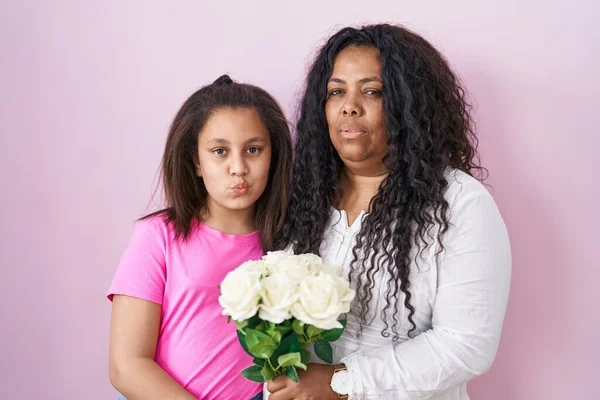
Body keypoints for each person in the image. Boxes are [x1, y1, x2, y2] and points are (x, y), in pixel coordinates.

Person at [267, 24, 511, 400]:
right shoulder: (302, 197)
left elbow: (465, 346)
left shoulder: (461, 204)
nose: (349, 105)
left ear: (408, 104)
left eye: (372, 91)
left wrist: (341, 381)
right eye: (336, 92)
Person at [107, 75, 293, 400]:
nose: (238, 168)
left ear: (273, 155)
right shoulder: (158, 237)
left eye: (253, 149)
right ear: (196, 161)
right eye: (220, 151)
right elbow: (126, 366)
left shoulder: (289, 245)